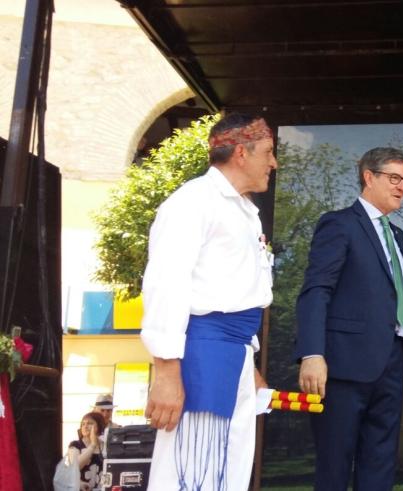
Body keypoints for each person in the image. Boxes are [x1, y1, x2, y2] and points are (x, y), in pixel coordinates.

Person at [140, 113, 278, 490]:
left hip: (232, 352)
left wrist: (247, 361)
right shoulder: (193, 202)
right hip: (202, 353)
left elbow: (234, 293)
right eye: (267, 152)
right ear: (240, 153)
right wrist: (167, 373)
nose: (273, 162)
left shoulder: (245, 212)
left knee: (228, 471)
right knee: (195, 468)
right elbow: (165, 285)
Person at [295, 147, 403, 490]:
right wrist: (312, 354)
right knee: (335, 466)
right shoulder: (339, 224)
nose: (402, 186)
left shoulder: (397, 235)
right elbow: (317, 290)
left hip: (391, 361)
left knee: (380, 463)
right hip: (343, 365)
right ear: (369, 177)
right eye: (394, 178)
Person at [66, 411, 106, 491]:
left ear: (99, 426)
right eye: (83, 424)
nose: (85, 426)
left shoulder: (105, 446)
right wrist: (92, 446)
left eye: (90, 423)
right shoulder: (75, 445)